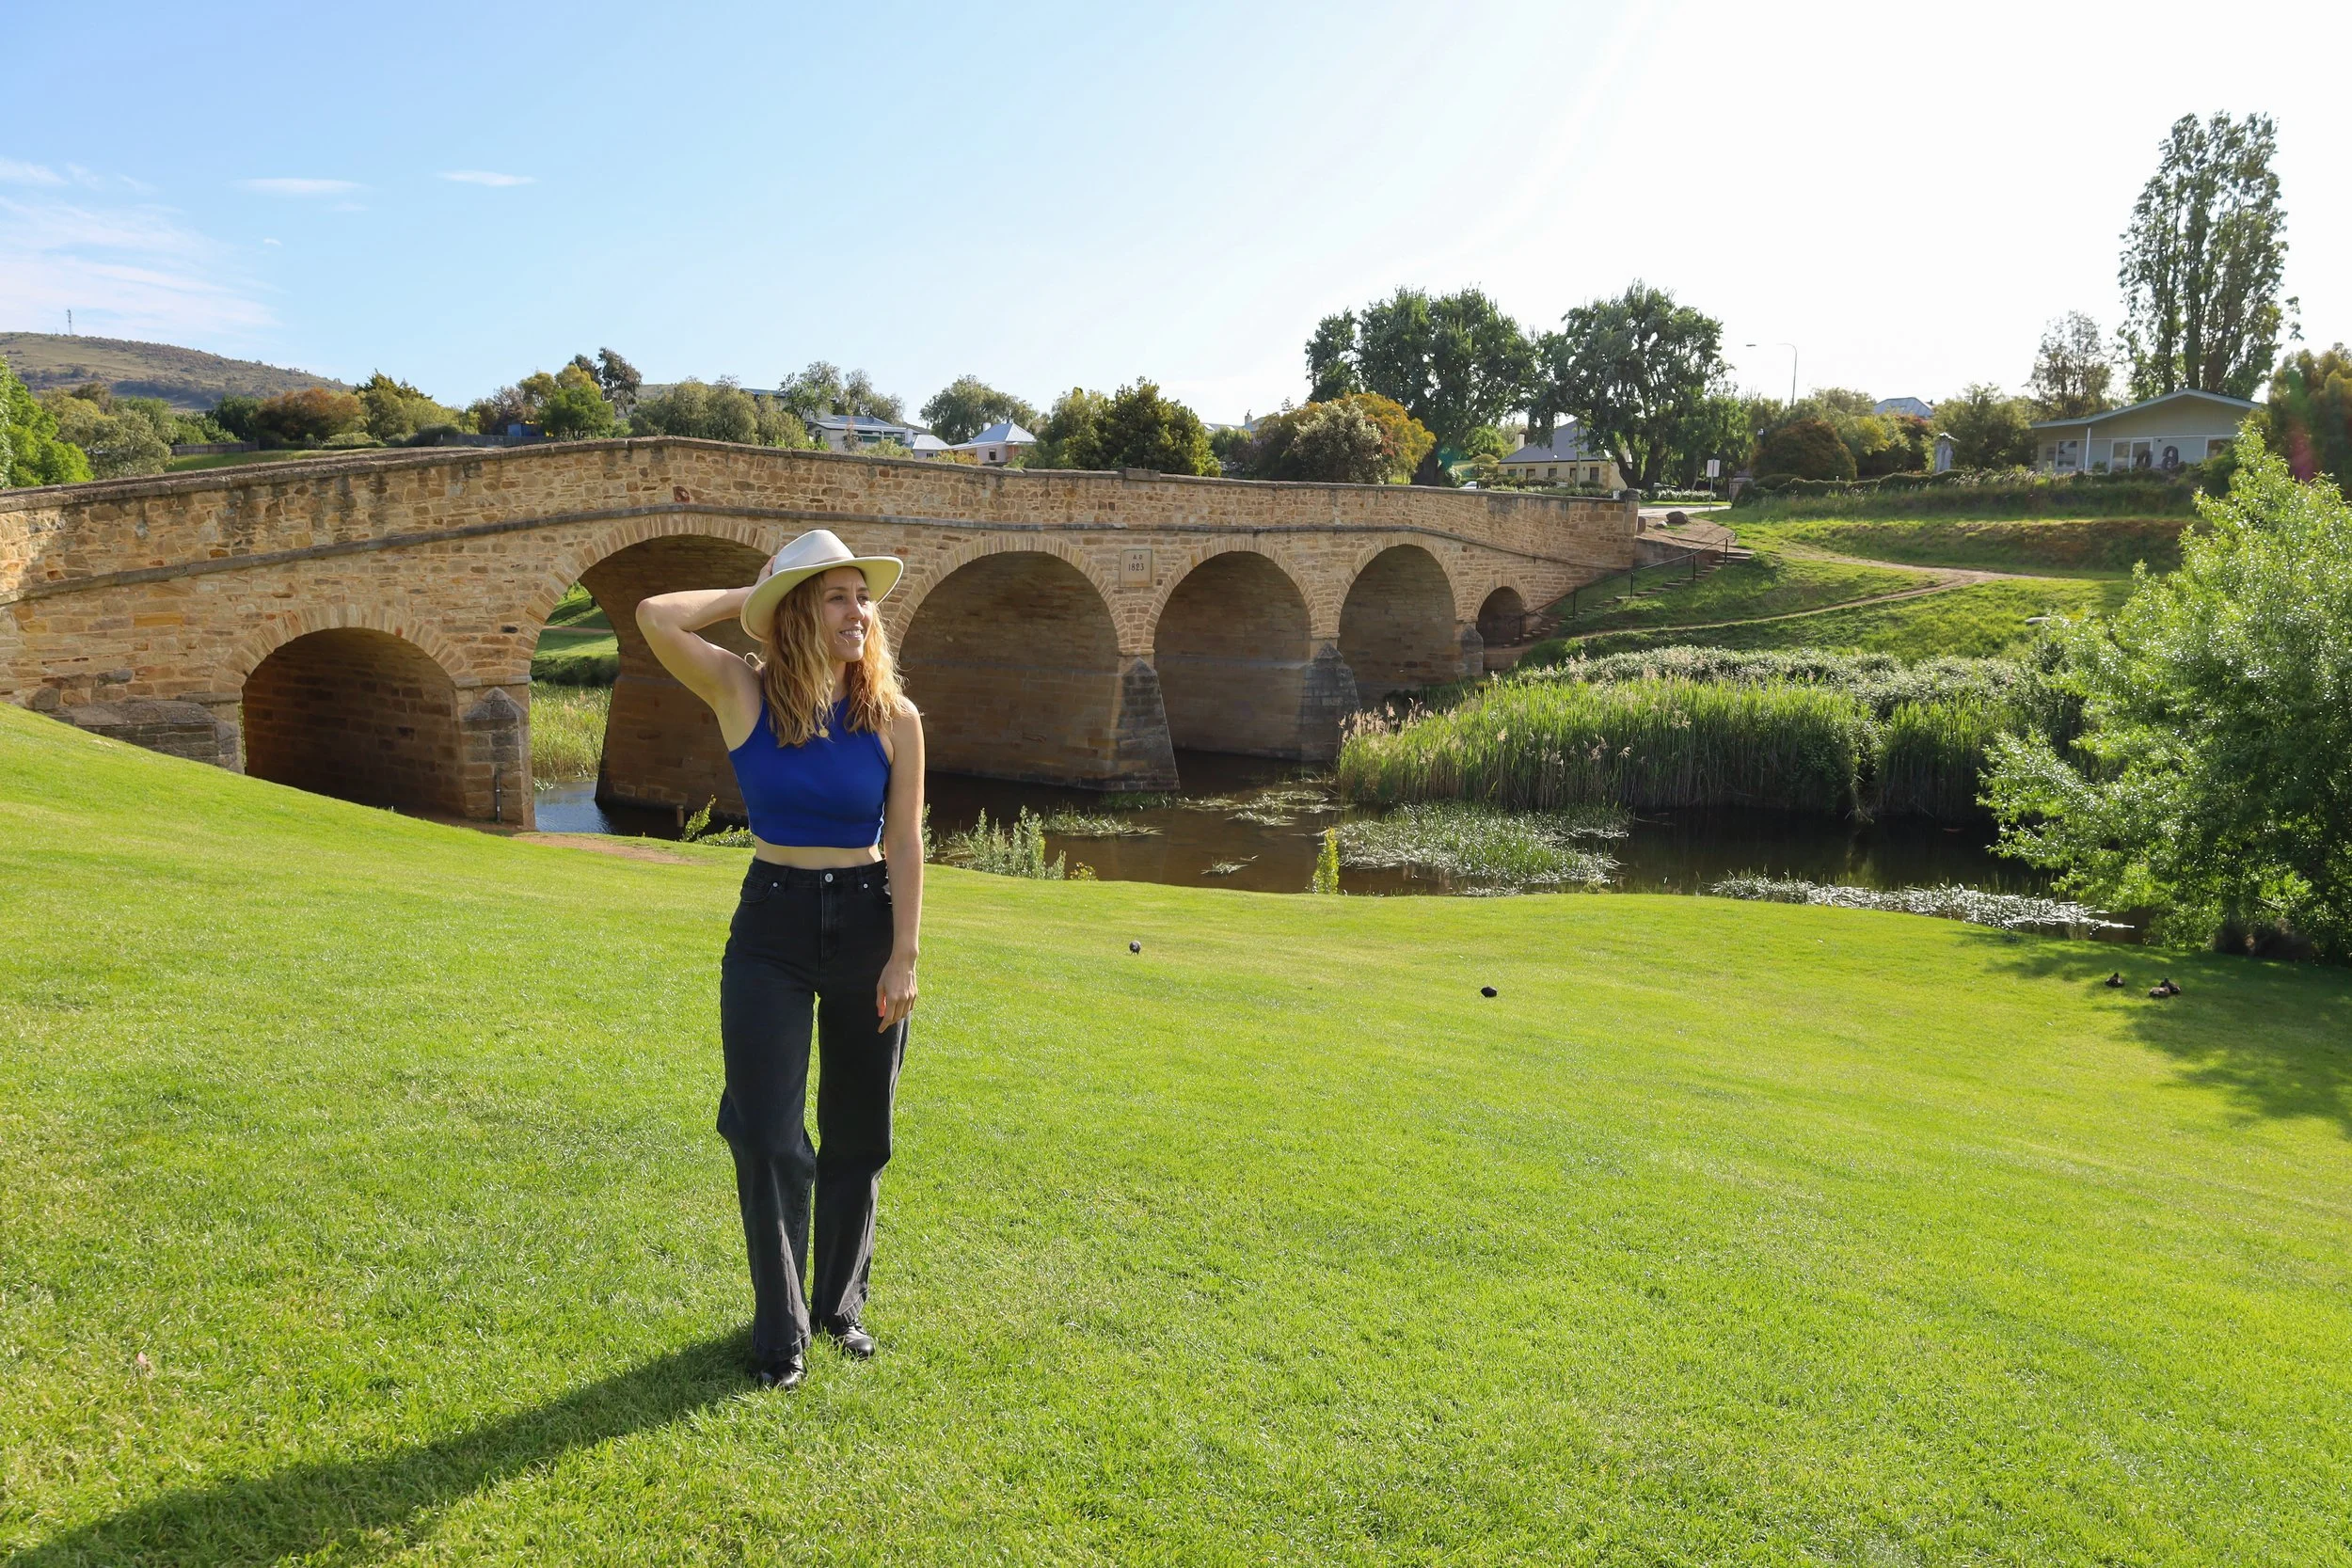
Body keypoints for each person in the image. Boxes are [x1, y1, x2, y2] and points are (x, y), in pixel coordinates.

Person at [636, 529, 925, 1391]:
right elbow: (655, 615)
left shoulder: (894, 717)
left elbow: (906, 843)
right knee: (765, 1133)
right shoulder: (743, 690)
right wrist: (749, 595)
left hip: (870, 924)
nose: (859, 611)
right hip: (771, 926)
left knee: (859, 1132)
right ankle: (781, 1330)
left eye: (863, 597)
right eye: (837, 596)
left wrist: (905, 954)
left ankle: (838, 1305)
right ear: (799, 612)